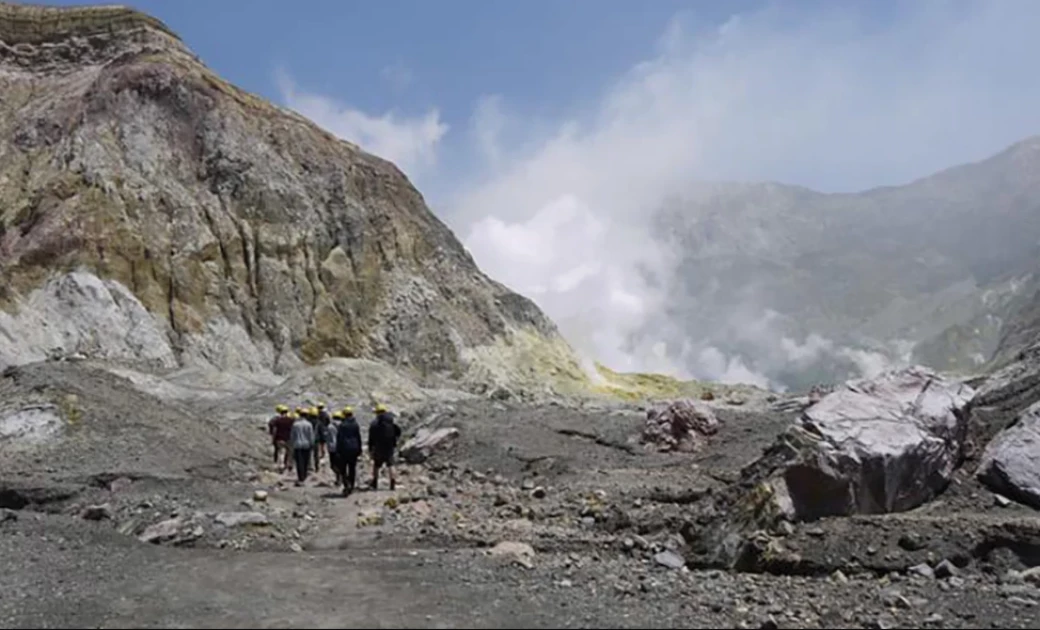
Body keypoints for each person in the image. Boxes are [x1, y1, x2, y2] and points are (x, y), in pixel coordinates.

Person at [368, 403, 401, 491]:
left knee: (376, 465)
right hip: (389, 446)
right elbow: (398, 431)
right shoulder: (391, 421)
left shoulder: (374, 424)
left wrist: (370, 449)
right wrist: (394, 440)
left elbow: (371, 437)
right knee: (391, 464)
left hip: (378, 446)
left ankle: (375, 483)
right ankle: (392, 483)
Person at [336, 406, 363, 495]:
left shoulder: (342, 425)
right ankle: (351, 485)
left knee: (343, 469)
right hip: (354, 449)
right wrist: (360, 449)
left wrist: (338, 450)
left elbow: (339, 439)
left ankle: (346, 484)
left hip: (344, 449)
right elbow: (358, 437)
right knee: (352, 468)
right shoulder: (355, 424)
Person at [290, 409, 315, 485]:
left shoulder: (295, 424)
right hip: (306, 445)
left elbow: (292, 436)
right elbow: (311, 435)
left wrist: (292, 444)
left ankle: (300, 477)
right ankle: (304, 476)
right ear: (307, 415)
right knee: (306, 461)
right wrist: (312, 444)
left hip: (297, 445)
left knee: (299, 462)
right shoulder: (309, 424)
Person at [267, 404, 293, 472]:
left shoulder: (277, 420)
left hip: (279, 438)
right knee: (288, 452)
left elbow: (274, 430)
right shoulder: (291, 420)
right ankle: (287, 464)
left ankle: (281, 465)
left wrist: (273, 438)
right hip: (288, 438)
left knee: (281, 452)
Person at [327, 410, 343, 485]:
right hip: (341, 447)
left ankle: (338, 478)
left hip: (332, 447)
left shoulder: (330, 426)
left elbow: (328, 437)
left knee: (333, 465)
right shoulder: (343, 425)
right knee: (341, 464)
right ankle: (341, 478)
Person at [315, 403, 331, 471]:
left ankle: (320, 454)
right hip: (324, 430)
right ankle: (323, 454)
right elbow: (328, 421)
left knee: (319, 442)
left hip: (319, 430)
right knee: (323, 443)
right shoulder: (325, 414)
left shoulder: (317, 414)